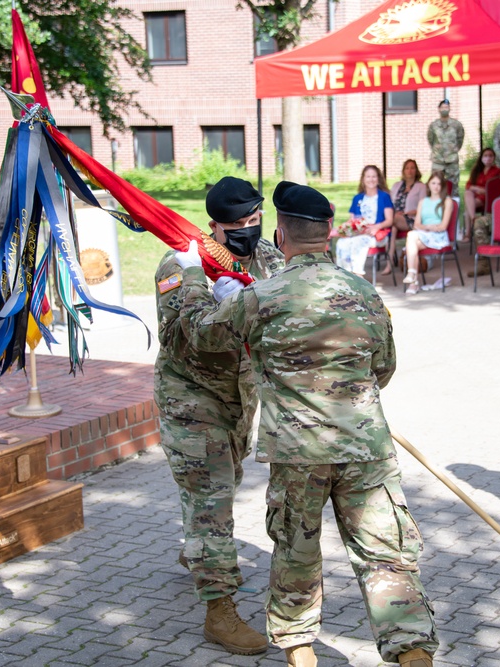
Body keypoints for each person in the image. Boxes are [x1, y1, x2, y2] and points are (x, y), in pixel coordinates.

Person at [172, 181, 439, 667]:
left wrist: (193, 279)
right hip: (365, 447)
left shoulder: (262, 296)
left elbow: (201, 334)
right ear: (330, 233)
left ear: (279, 233)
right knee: (384, 555)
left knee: (297, 551)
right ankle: (412, 651)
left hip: (298, 451)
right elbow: (383, 367)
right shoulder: (364, 292)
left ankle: (299, 650)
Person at [153, 176, 283, 655]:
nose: (248, 231)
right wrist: (225, 305)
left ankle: (199, 551)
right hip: (193, 400)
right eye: (237, 225)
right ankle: (219, 611)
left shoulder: (268, 258)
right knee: (212, 505)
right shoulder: (181, 264)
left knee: (217, 490)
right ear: (214, 227)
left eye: (254, 220)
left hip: (238, 402)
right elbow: (180, 338)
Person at [333, 165, 393, 279]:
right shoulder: (358, 198)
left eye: (374, 176)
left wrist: (376, 227)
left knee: (359, 242)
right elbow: (352, 220)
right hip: (359, 233)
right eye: (368, 176)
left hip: (376, 234)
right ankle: (345, 276)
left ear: (378, 179)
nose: (371, 179)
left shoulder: (384, 197)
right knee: (341, 243)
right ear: (363, 179)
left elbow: (390, 220)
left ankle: (358, 276)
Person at [403, 171, 454, 294]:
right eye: (433, 183)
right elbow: (416, 224)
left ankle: (412, 280)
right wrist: (428, 227)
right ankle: (413, 278)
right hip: (423, 235)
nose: (436, 186)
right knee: (412, 239)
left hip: (438, 237)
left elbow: (443, 226)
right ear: (429, 185)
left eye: (439, 184)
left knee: (411, 238)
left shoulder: (447, 201)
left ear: (442, 186)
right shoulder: (423, 202)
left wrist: (427, 227)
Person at [386, 159, 428, 273]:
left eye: (412, 168)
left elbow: (423, 207)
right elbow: (389, 203)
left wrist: (407, 213)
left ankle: (389, 261)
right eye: (407, 168)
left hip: (412, 220)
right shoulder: (396, 185)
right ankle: (389, 263)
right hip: (396, 219)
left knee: (390, 221)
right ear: (403, 171)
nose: (410, 171)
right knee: (393, 227)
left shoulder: (421, 186)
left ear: (416, 170)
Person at [462, 147, 500, 240]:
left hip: (488, 198)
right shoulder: (477, 171)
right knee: (467, 194)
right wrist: (476, 188)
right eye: (485, 156)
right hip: (475, 197)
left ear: (494, 158)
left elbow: (494, 188)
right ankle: (473, 218)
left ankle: (468, 234)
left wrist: (481, 189)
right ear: (481, 158)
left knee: (468, 207)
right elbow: (468, 185)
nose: (488, 158)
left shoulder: (497, 171)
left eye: (490, 156)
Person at [427, 98, 465, 196]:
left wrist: (454, 150)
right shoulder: (434, 125)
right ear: (439, 109)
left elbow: (460, 139)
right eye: (443, 107)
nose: (445, 109)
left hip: (452, 159)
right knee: (436, 184)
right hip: (438, 160)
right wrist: (438, 150)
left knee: (454, 185)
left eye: (446, 107)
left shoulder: (456, 124)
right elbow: (431, 140)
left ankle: (454, 205)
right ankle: (437, 205)